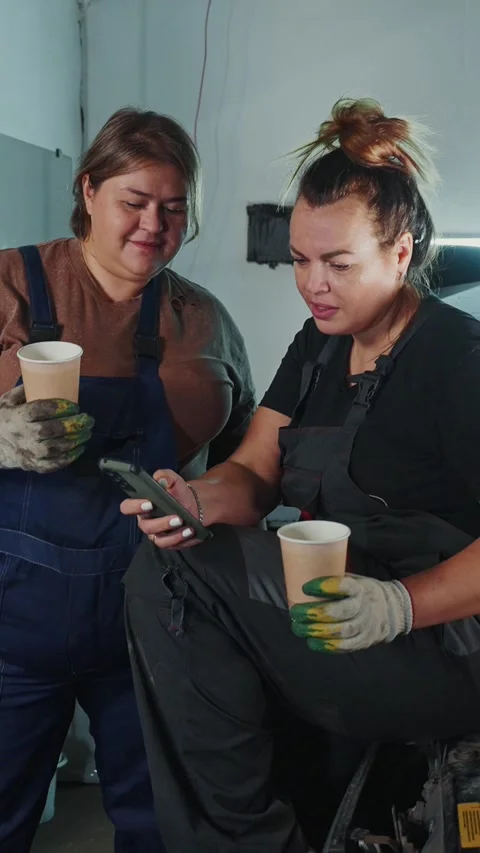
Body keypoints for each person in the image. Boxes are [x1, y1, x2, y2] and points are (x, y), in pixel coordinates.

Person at [122, 97, 480, 853]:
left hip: (443, 642)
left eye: (339, 264)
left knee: (179, 578)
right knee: (170, 562)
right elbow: (255, 471)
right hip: (340, 614)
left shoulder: (459, 359)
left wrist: (400, 605)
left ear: (401, 252)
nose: (314, 284)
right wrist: (193, 501)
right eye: (300, 260)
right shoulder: (318, 346)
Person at [0, 107, 255, 852]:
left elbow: (248, 457)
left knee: (162, 822)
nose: (153, 225)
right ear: (87, 190)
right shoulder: (11, 282)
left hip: (154, 625)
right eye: (134, 202)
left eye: (173, 208)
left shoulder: (203, 321)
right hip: (11, 626)